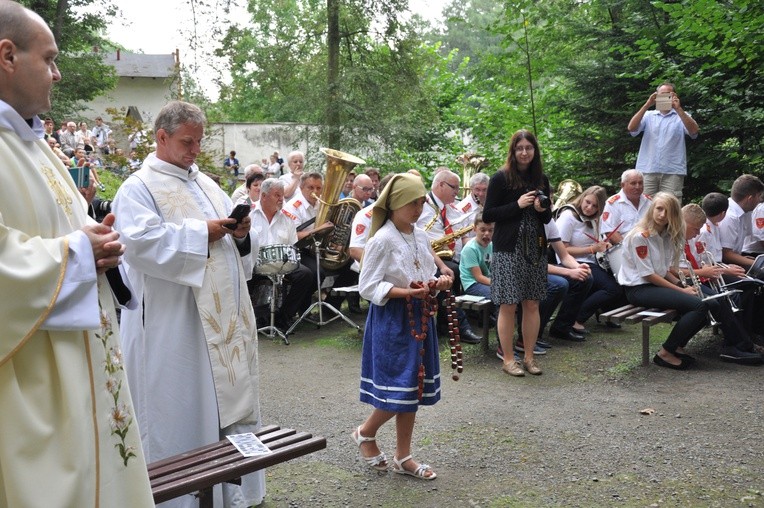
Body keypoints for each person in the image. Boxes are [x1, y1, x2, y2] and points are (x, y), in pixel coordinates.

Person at [0, 2, 153, 505]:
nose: (57, 73)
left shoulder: (32, 142)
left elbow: (61, 225)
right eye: (49, 59)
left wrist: (96, 240)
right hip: (32, 389)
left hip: (82, 373)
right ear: (6, 55)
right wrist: (76, 252)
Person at [113, 100, 265, 507]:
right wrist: (203, 234)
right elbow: (140, 245)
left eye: (199, 141)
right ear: (161, 137)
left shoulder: (207, 184)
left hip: (222, 326)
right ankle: (180, 498)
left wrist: (240, 232)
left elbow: (234, 249)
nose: (195, 149)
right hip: (175, 326)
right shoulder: (138, 188)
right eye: (187, 141)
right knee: (182, 408)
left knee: (223, 406)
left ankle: (231, 495)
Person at [353, 173, 452, 481]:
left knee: (414, 388)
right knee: (402, 387)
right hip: (393, 319)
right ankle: (366, 433)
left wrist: (439, 282)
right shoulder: (381, 239)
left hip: (419, 315)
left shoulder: (420, 235)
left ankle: (403, 456)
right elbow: (367, 286)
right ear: (394, 203)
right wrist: (406, 293)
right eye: (412, 202)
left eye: (421, 201)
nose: (418, 208)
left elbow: (425, 271)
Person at [482, 129, 552, 377]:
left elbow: (547, 217)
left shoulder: (541, 178)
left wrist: (541, 208)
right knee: (509, 304)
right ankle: (509, 359)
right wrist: (517, 205)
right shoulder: (501, 178)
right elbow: (488, 214)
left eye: (528, 148)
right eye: (519, 148)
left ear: (535, 151)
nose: (524, 153)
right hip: (508, 248)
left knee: (532, 303)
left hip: (535, 249)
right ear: (513, 151)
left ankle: (530, 357)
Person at [618, 193, 710, 370]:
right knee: (698, 306)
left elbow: (664, 269)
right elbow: (648, 275)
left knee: (707, 301)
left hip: (654, 285)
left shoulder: (665, 235)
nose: (662, 215)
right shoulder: (640, 236)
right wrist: (682, 291)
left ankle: (676, 347)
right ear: (652, 209)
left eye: (667, 212)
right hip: (639, 290)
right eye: (659, 209)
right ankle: (666, 352)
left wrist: (680, 285)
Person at [680, 204, 762, 364]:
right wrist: (707, 272)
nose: (697, 233)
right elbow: (675, 271)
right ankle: (739, 345)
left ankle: (742, 342)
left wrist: (711, 270)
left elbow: (699, 262)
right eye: (695, 229)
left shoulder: (688, 237)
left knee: (741, 291)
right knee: (720, 300)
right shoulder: (675, 239)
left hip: (698, 277)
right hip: (686, 282)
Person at [551, 185, 624, 338]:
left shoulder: (595, 219)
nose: (589, 208)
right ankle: (576, 318)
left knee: (619, 283)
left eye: (595, 206)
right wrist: (592, 249)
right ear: (582, 198)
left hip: (590, 261)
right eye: (588, 202)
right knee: (612, 289)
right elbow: (561, 249)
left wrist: (604, 245)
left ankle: (594, 314)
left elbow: (596, 242)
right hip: (570, 262)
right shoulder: (568, 216)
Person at [248, 178, 314, 330]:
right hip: (254, 263)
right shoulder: (249, 214)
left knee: (306, 275)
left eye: (282, 195)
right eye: (277, 195)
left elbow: (292, 246)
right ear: (263, 196)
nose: (281, 199)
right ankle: (251, 317)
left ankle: (283, 316)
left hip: (282, 264)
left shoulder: (287, 219)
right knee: (243, 276)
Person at [627, 82, 699, 198]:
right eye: (662, 94)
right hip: (647, 170)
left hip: (672, 171)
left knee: (671, 207)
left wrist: (678, 108)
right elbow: (632, 128)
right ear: (656, 96)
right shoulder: (648, 115)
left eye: (668, 94)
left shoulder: (682, 115)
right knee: (645, 206)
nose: (665, 97)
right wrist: (647, 104)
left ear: (674, 96)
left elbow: (694, 131)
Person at [719, 174, 764, 270]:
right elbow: (726, 254)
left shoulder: (746, 213)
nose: (760, 201)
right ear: (750, 199)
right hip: (724, 264)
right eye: (759, 196)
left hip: (736, 258)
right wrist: (756, 263)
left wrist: (742, 259)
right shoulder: (730, 216)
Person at [601, 169, 651, 246]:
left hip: (649, 245)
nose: (637, 187)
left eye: (640, 183)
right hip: (622, 248)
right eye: (633, 183)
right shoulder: (613, 203)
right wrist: (629, 248)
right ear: (622, 185)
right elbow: (610, 231)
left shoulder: (650, 202)